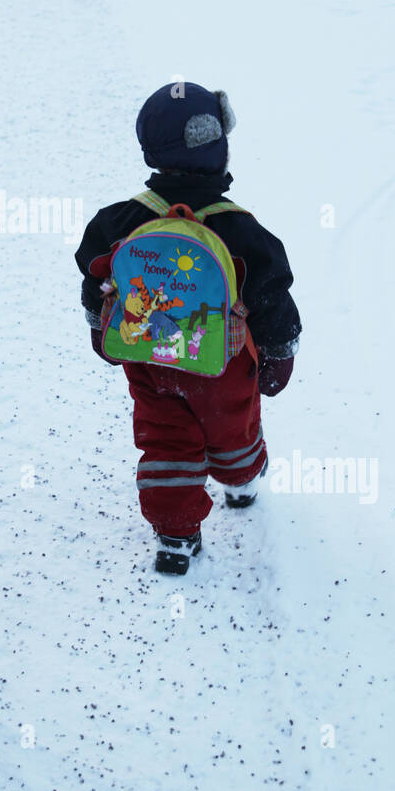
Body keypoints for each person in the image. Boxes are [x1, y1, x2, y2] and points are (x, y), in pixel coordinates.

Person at [76, 83, 300, 573]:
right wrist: (278, 356)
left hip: (150, 363)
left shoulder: (118, 221)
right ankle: (240, 481)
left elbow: (95, 277)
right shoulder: (242, 230)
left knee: (165, 441)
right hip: (222, 364)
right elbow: (271, 297)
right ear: (218, 149)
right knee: (233, 428)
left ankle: (175, 536)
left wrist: (101, 329)